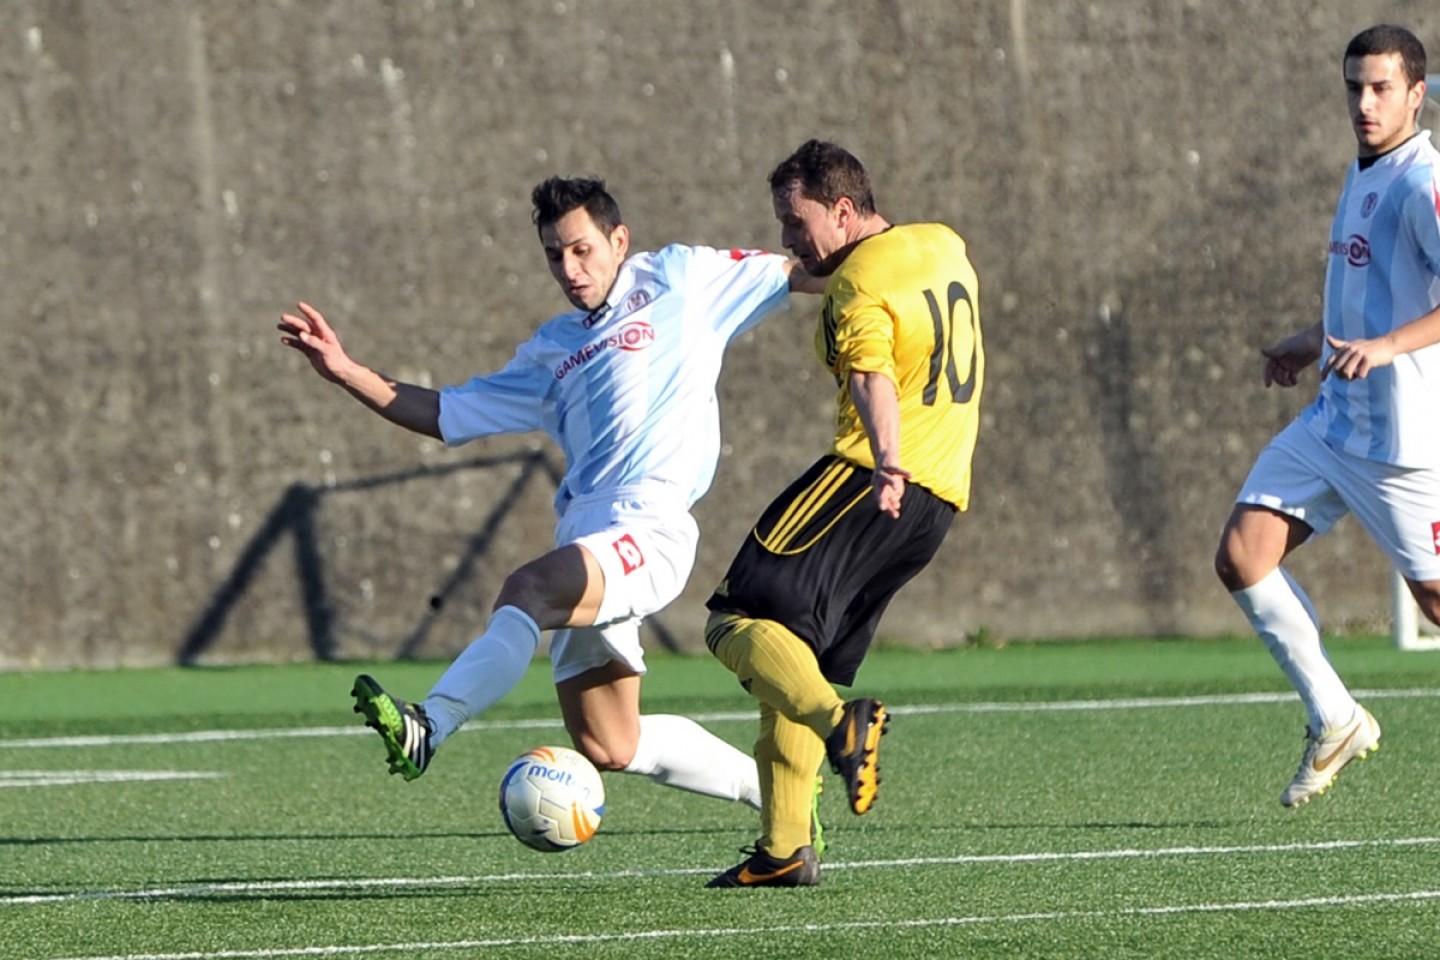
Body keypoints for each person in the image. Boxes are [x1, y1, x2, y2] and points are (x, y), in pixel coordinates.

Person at [278, 175, 814, 811]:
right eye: (554, 255)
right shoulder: (552, 349)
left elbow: (803, 272)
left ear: (620, 240)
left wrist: (893, 258)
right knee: (609, 744)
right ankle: (781, 797)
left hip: (651, 526)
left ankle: (432, 723)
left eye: (582, 249)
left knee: (526, 590)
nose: (569, 267)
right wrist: (346, 371)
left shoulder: (683, 280)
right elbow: (444, 412)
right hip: (587, 534)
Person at [702, 140, 985, 887]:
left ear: (844, 209)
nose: (789, 239)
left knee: (735, 619)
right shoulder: (944, 244)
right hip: (936, 503)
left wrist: (887, 457)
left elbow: (869, 374)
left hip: (871, 478)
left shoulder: (857, 284)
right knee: (802, 656)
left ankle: (842, 728)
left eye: (797, 223)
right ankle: (784, 848)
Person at [1215, 24, 1440, 808]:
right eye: (1355, 87)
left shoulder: (1422, 183)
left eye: (1381, 88)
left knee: (1436, 606)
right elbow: (1368, 295)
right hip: (1333, 420)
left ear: (1417, 92)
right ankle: (1335, 717)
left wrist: (1385, 348)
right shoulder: (1364, 170)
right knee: (1243, 554)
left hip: (1402, 442)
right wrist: (1310, 344)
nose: (1365, 102)